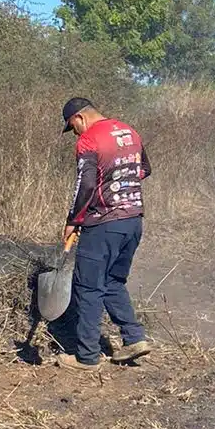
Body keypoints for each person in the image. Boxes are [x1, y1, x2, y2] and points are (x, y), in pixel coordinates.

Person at [58, 97, 153, 369]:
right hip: (133, 221)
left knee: (88, 287)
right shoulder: (129, 131)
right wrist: (120, 184)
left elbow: (85, 183)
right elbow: (144, 169)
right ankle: (134, 338)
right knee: (113, 281)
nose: (74, 132)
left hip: (103, 223)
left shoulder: (88, 139)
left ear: (79, 118)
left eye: (72, 127)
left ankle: (86, 357)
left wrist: (73, 220)